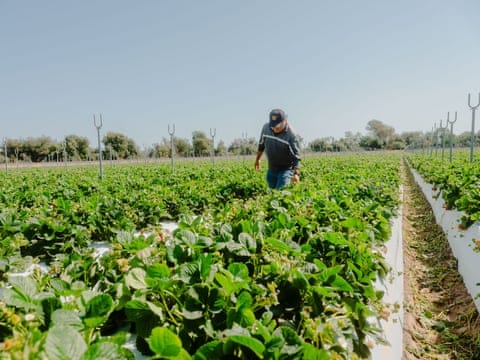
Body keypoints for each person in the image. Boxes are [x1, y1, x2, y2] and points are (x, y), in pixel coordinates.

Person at [254, 108, 301, 189]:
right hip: (272, 168)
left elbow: (296, 156)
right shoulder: (266, 128)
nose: (275, 128)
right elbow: (261, 145)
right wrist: (257, 159)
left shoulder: (291, 135)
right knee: (272, 192)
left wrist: (296, 174)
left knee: (280, 192)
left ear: (284, 121)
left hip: (286, 169)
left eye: (277, 126)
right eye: (273, 126)